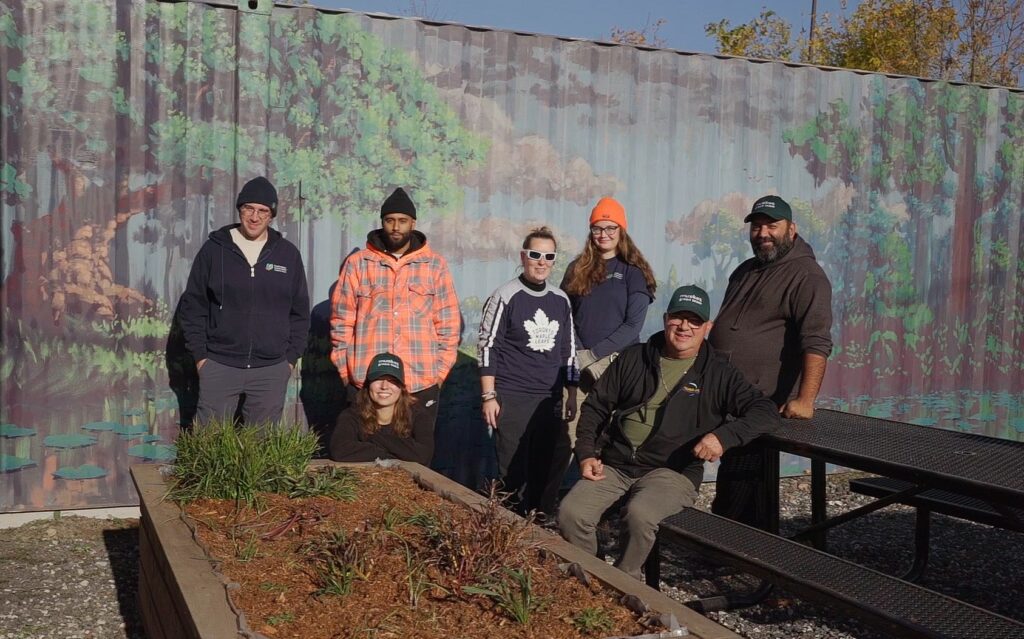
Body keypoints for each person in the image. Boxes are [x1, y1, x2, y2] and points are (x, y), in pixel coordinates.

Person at [558, 285, 779, 580]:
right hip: (615, 464)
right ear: (665, 319)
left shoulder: (718, 373)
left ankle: (626, 584)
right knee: (571, 513)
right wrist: (586, 453)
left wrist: (722, 437)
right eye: (678, 318)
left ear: (707, 327)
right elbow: (596, 406)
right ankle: (593, 579)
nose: (684, 326)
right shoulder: (634, 358)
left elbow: (765, 411)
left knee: (639, 515)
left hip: (671, 471)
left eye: (694, 321)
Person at [709, 194, 833, 528]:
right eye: (757, 226)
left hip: (762, 400)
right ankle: (735, 547)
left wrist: (805, 399)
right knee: (734, 472)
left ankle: (738, 551)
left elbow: (816, 340)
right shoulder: (746, 270)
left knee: (745, 476)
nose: (763, 233)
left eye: (772, 225)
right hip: (727, 394)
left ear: (791, 229)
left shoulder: (807, 277)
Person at [179, 176, 310, 426]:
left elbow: (300, 312)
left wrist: (289, 360)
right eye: (248, 208)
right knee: (210, 444)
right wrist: (201, 358)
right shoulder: (214, 250)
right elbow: (193, 307)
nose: (254, 217)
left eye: (263, 211)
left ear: (271, 215)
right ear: (240, 210)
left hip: (271, 368)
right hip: (219, 363)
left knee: (260, 449)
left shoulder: (287, 254)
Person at [329, 188, 460, 427]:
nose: (396, 227)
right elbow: (341, 321)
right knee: (364, 457)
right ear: (382, 223)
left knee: (415, 458)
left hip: (419, 382)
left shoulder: (434, 265)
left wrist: (438, 376)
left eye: (402, 221)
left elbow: (448, 325)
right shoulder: (359, 264)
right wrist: (347, 373)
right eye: (390, 221)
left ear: (413, 223)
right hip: (368, 382)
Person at [478, 226, 578, 520]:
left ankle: (534, 527)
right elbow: (487, 346)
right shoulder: (506, 296)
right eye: (535, 254)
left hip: (548, 398)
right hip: (512, 395)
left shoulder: (561, 299)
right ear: (523, 256)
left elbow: (568, 350)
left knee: (542, 468)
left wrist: (571, 394)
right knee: (512, 469)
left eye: (549, 256)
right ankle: (505, 529)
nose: (541, 261)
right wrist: (489, 395)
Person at [560, 196, 656, 445]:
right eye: (597, 228)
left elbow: (633, 325)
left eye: (611, 227)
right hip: (579, 372)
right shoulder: (576, 269)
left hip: (618, 370)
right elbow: (564, 315)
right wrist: (581, 354)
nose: (603, 234)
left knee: (613, 443)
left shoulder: (633, 272)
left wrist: (594, 355)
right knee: (570, 442)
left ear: (621, 231)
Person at [329, 352, 433, 465]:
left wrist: (373, 439)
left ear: (401, 387)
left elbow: (423, 455)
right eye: (378, 379)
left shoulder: (418, 415)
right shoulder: (352, 414)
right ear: (368, 384)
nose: (384, 386)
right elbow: (339, 450)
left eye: (392, 381)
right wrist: (398, 453)